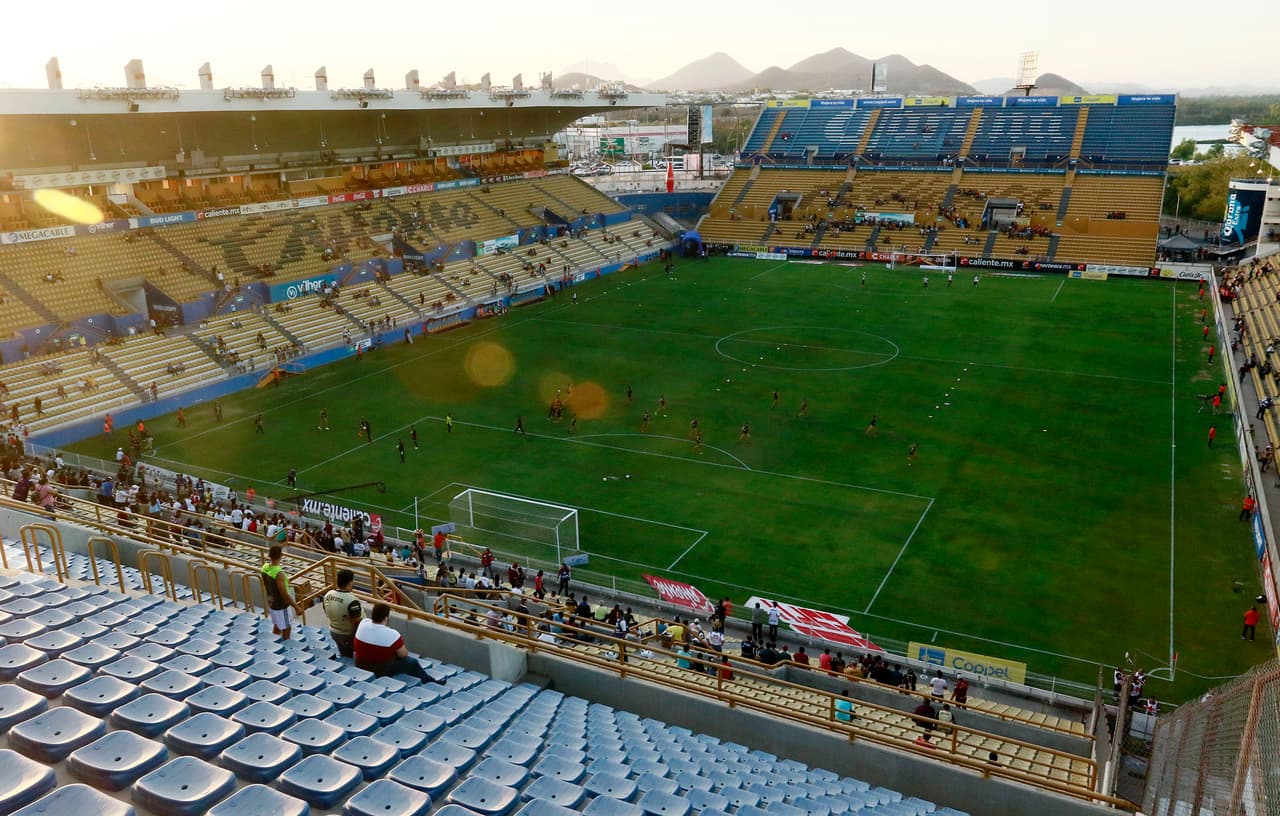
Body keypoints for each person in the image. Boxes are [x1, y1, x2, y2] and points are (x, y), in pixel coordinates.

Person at [354, 602, 445, 683]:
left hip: (360, 664)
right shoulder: (392, 634)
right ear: (386, 618)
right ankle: (429, 680)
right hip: (380, 670)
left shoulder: (363, 623)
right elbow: (403, 654)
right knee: (411, 662)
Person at [261, 545, 305, 640]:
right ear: (281, 555)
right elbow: (284, 594)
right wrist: (296, 607)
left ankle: (274, 644)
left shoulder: (264, 568)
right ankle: (285, 648)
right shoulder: (279, 574)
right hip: (280, 605)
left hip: (271, 602)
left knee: (277, 625)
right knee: (286, 628)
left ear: (269, 555)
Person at [322, 569, 362, 657]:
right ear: (350, 583)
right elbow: (356, 622)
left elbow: (326, 611)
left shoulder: (328, 594)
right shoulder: (352, 600)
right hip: (348, 635)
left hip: (334, 631)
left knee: (344, 655)